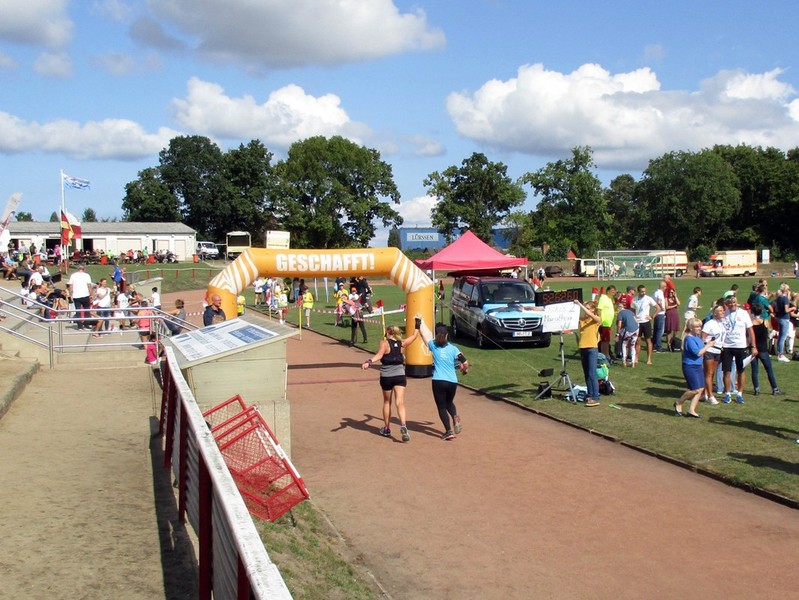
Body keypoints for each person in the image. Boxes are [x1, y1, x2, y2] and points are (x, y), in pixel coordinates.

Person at [361, 323, 421, 442]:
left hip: (387, 376)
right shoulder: (402, 343)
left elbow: (379, 355)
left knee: (387, 402)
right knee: (400, 402)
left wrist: (369, 361)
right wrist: (417, 324)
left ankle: (387, 428)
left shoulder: (384, 343)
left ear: (388, 332)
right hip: (400, 375)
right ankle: (403, 425)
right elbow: (414, 336)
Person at [418, 321, 468, 440]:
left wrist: (419, 325)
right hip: (452, 381)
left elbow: (424, 336)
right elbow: (465, 362)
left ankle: (449, 431)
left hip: (438, 381)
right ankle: (455, 416)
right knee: (449, 403)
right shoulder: (454, 349)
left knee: (441, 407)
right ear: (446, 335)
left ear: (437, 335)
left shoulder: (433, 346)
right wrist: (464, 370)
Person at [674, 318, 716, 418]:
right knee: (695, 389)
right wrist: (709, 345)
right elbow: (698, 353)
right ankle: (678, 403)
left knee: (701, 388)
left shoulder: (696, 337)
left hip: (697, 366)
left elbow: (700, 347)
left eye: (700, 326)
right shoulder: (688, 338)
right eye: (696, 327)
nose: (699, 328)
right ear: (691, 328)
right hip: (690, 366)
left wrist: (707, 344)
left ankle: (691, 410)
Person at [720, 296, 756, 404]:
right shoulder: (724, 314)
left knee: (741, 370)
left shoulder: (744, 313)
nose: (732, 304)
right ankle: (727, 393)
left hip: (741, 345)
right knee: (727, 371)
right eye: (730, 303)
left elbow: (750, 331)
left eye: (734, 302)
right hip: (727, 346)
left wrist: (753, 346)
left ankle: (740, 394)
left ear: (737, 302)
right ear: (727, 304)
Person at [750, 305, 783, 396]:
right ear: (761, 312)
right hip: (763, 349)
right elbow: (769, 334)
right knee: (769, 370)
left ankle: (756, 389)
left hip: (753, 348)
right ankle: (775, 388)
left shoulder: (750, 323)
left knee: (755, 370)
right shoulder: (765, 322)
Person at [575, 299, 602, 407]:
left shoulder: (596, 320)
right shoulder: (582, 320)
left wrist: (580, 305)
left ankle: (595, 397)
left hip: (592, 348)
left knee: (592, 373)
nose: (586, 311)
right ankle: (590, 394)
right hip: (583, 348)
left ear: (593, 309)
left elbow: (592, 316)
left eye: (588, 308)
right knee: (586, 374)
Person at [700, 303, 725, 405]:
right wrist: (702, 350)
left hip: (718, 350)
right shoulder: (709, 324)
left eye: (723, 310)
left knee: (711, 373)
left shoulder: (722, 323)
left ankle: (703, 393)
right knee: (709, 373)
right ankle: (710, 395)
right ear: (715, 313)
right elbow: (702, 338)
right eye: (720, 311)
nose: (723, 312)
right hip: (709, 350)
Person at [631, 284, 657, 365]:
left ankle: (649, 359)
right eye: (642, 291)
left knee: (648, 340)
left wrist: (652, 316)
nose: (643, 293)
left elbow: (658, 307)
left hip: (646, 322)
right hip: (638, 322)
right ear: (638, 291)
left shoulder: (648, 298)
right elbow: (632, 310)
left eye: (644, 291)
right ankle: (636, 358)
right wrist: (634, 318)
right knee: (638, 341)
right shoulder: (634, 300)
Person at [68, 264, 93, 330]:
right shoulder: (86, 275)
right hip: (85, 294)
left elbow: (71, 286)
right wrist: (91, 294)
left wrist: (71, 295)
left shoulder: (73, 275)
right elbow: (89, 285)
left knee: (78, 311)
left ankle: (80, 326)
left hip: (76, 296)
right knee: (87, 310)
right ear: (83, 269)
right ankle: (86, 324)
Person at [615, 295, 639, 367]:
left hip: (628, 330)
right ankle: (633, 363)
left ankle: (624, 361)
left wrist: (618, 334)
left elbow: (619, 325)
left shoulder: (620, 313)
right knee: (632, 345)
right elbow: (636, 320)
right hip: (636, 329)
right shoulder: (629, 311)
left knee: (624, 345)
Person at [774, 283, 795, 362]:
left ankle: (780, 353)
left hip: (779, 317)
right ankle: (781, 354)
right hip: (784, 318)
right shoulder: (785, 298)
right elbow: (786, 310)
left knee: (780, 337)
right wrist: (792, 308)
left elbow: (776, 309)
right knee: (783, 337)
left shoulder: (779, 298)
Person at [596, 285, 617, 362]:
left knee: (606, 340)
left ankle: (605, 354)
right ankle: (605, 355)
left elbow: (608, 310)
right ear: (608, 291)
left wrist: (614, 313)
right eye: (612, 292)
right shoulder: (603, 298)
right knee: (605, 340)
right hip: (604, 323)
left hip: (608, 323)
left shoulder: (609, 299)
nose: (613, 293)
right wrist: (600, 320)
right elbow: (599, 309)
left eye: (614, 292)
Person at [664, 285, 681, 351]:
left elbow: (679, 303)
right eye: (670, 292)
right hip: (669, 314)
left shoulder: (674, 298)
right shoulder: (666, 299)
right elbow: (667, 307)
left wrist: (675, 296)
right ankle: (668, 344)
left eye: (672, 292)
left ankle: (673, 342)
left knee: (676, 330)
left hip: (675, 314)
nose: (671, 294)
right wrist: (674, 305)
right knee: (669, 330)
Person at [652, 280, 667, 352]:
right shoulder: (660, 293)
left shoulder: (655, 292)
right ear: (663, 287)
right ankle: (658, 346)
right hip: (660, 313)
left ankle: (654, 345)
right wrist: (662, 308)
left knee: (655, 330)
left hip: (656, 313)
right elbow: (659, 301)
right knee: (659, 331)